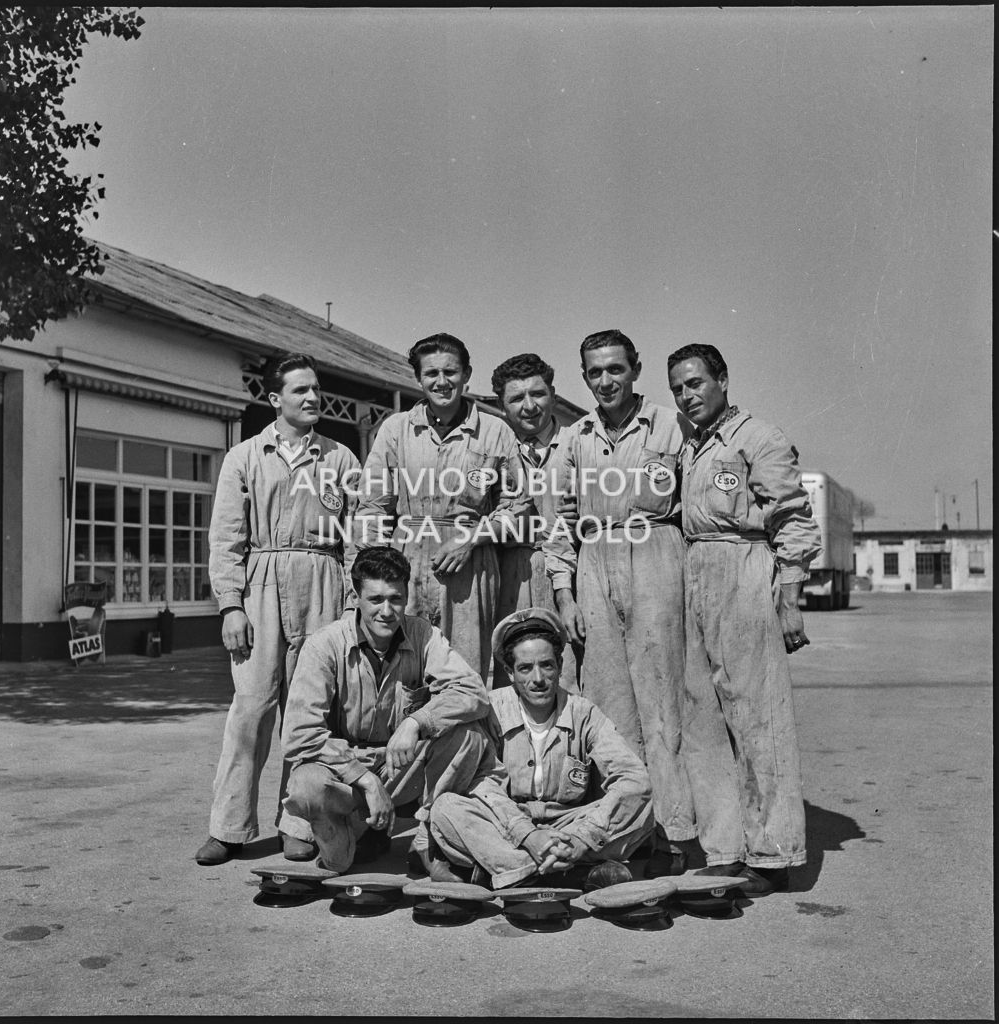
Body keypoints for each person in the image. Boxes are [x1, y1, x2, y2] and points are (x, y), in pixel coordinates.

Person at [195, 352, 360, 866]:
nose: (312, 397)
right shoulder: (244, 457)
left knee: (311, 711)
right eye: (299, 390)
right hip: (260, 585)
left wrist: (353, 603)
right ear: (274, 399)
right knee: (250, 709)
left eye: (315, 389)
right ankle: (229, 827)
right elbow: (226, 537)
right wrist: (230, 606)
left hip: (323, 582)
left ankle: (300, 823)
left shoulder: (341, 459)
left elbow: (359, 538)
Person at [668, 343, 821, 893]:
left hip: (745, 569)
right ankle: (725, 848)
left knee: (758, 720)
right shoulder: (691, 446)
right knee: (703, 721)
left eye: (696, 383)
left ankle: (774, 855)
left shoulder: (758, 438)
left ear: (723, 380)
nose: (687, 396)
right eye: (678, 388)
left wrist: (790, 599)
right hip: (695, 572)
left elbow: (793, 521)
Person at [543, 329, 696, 876]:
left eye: (615, 369)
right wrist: (564, 595)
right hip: (594, 561)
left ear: (635, 369)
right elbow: (557, 524)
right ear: (584, 377)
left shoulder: (671, 426)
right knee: (609, 708)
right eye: (595, 372)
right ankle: (627, 834)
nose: (605, 381)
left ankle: (675, 833)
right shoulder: (575, 438)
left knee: (664, 702)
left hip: (655, 553)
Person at [281, 546, 497, 873]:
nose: (386, 611)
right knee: (306, 786)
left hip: (400, 766)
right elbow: (299, 735)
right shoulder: (324, 644)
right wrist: (366, 780)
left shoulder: (423, 634)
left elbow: (473, 691)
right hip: (345, 771)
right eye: (376, 599)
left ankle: (427, 841)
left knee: (469, 737)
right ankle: (351, 829)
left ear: (407, 596)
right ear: (356, 598)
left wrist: (417, 722)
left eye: (396, 599)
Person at [429, 608, 655, 890]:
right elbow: (483, 783)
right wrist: (528, 835)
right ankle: (567, 873)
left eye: (546, 665)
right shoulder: (491, 710)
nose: (538, 678)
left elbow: (632, 779)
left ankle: (512, 870)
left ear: (560, 665)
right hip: (507, 823)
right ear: (510, 672)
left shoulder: (584, 714)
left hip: (568, 825)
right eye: (525, 668)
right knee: (446, 808)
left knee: (641, 806)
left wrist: (580, 839)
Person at [354, 333, 530, 684]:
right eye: (431, 373)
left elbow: (517, 504)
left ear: (467, 375)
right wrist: (375, 572)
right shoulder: (396, 430)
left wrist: (472, 538)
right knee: (404, 670)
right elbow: (372, 506)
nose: (441, 381)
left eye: (450, 372)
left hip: (470, 566)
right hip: (406, 562)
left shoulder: (494, 431)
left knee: (464, 670)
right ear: (418, 379)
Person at [490, 353, 578, 691]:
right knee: (513, 669)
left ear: (553, 394)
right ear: (502, 406)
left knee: (569, 672)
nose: (529, 406)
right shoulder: (495, 451)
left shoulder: (577, 443)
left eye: (538, 394)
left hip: (569, 570)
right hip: (510, 571)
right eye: (516, 398)